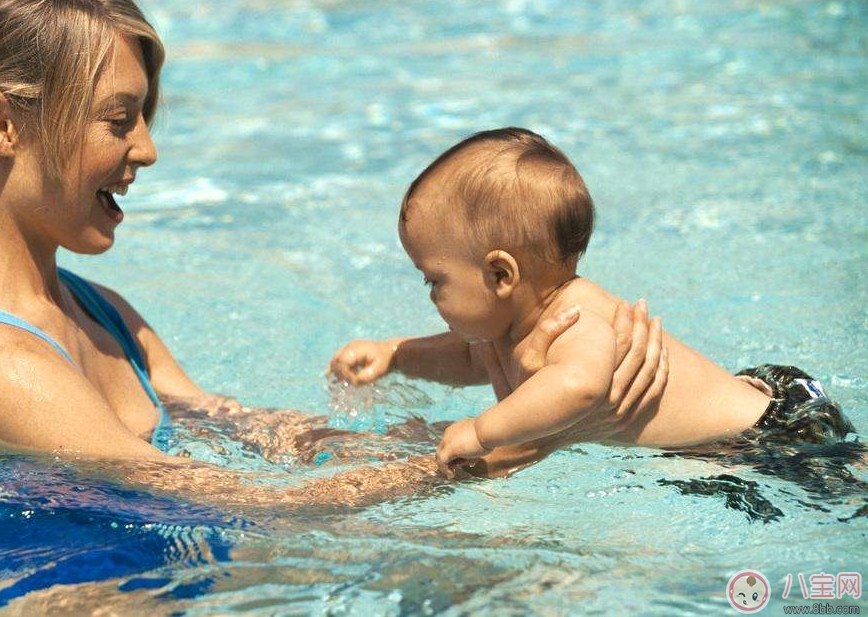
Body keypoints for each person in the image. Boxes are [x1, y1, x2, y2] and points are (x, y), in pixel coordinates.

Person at [0, 0, 665, 508]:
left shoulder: (101, 314)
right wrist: (482, 453)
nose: (147, 150)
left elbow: (261, 436)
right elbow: (226, 501)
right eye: (119, 120)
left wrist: (532, 385)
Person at [331, 128, 854, 477]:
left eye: (433, 281)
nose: (431, 295)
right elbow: (464, 357)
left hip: (773, 432)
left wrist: (482, 430)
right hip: (739, 423)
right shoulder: (507, 326)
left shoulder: (574, 318)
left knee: (849, 487)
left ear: (499, 273)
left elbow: (579, 385)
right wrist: (396, 354)